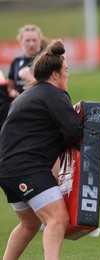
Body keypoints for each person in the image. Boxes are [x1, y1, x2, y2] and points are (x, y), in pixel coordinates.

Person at [0, 40, 82, 260]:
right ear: (55, 74)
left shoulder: (29, 94)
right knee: (57, 219)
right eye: (66, 70)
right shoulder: (54, 95)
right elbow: (73, 132)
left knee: (29, 223)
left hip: (7, 170)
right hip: (27, 168)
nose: (68, 75)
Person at [7, 24, 47, 98]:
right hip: (19, 106)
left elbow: (50, 90)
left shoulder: (47, 61)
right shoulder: (16, 62)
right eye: (27, 40)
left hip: (39, 104)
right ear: (21, 42)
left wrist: (30, 78)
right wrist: (11, 91)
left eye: (34, 40)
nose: (31, 44)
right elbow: (10, 87)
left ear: (40, 41)